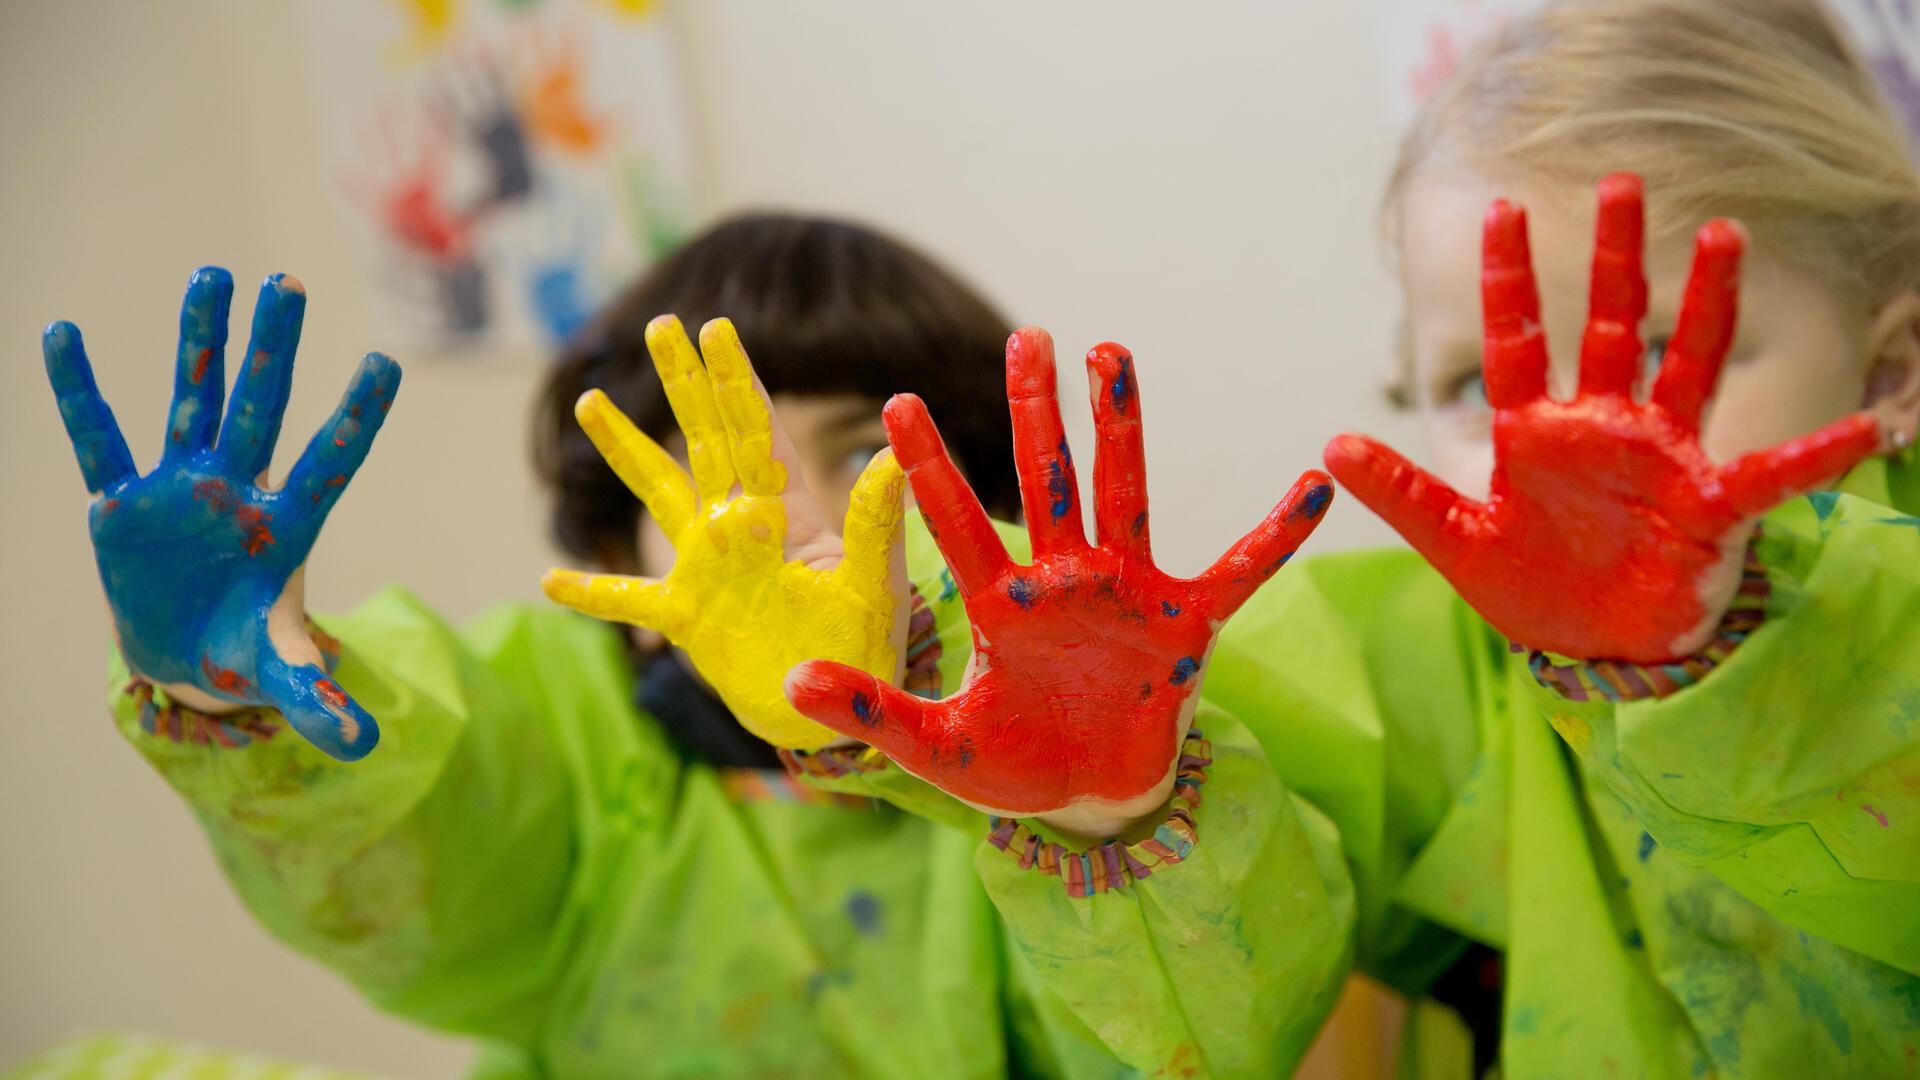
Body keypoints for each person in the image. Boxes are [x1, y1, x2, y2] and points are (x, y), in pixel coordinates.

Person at [763, 1, 1919, 1076]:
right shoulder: (1411, 661)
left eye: (1663, 355)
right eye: (1485, 377)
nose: (1559, 442)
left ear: (1891, 369)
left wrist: (1732, 658)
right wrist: (1121, 807)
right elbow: (1227, 1023)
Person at [49, 215, 1335, 1078]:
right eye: (737, 475)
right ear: (622, 529)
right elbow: (420, 847)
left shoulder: (1077, 755)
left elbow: (1216, 1034)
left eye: (875, 455)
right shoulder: (571, 728)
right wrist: (226, 700)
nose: (813, 523)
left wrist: (1113, 814)